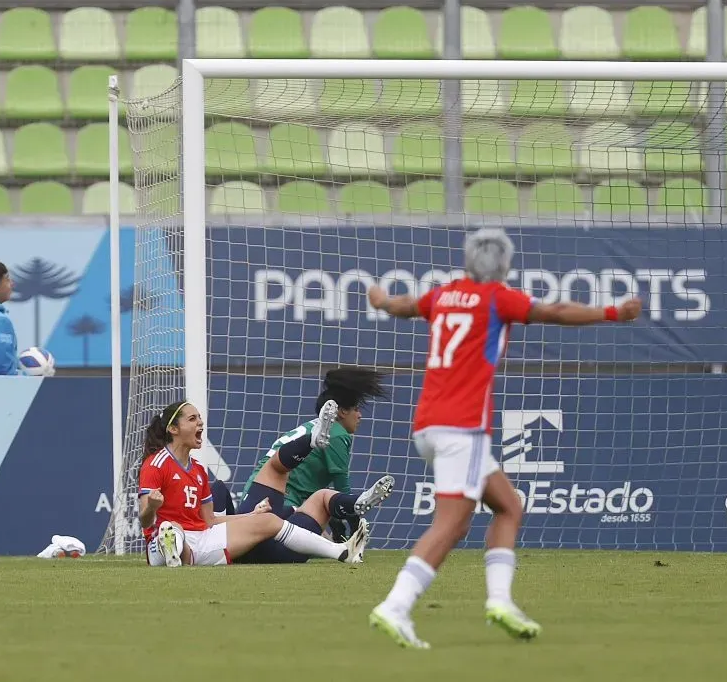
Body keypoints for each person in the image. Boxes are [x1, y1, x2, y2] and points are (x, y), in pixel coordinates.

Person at [366, 228, 643, 649]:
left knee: (509, 506)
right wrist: (611, 313)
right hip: (462, 428)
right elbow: (556, 311)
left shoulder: (443, 295)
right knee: (452, 525)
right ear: (505, 267)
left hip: (428, 424)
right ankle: (396, 605)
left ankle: (500, 601)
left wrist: (384, 301)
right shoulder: (497, 297)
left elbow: (406, 306)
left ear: (465, 262)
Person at [138, 400, 369, 567]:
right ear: (173, 429)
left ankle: (341, 552)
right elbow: (145, 520)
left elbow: (210, 520)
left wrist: (251, 516)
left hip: (202, 538)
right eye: (192, 419)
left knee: (267, 520)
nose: (200, 423)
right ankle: (175, 549)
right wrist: (152, 508)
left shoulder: (197, 470)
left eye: (200, 418)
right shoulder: (155, 464)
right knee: (171, 529)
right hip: (160, 542)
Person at [235, 367, 395, 561]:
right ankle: (352, 521)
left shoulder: (314, 427)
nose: (360, 415)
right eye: (356, 409)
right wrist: (355, 526)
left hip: (254, 497)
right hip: (278, 505)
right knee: (315, 531)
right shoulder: (337, 434)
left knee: (322, 540)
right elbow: (342, 489)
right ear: (342, 411)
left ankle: (342, 543)